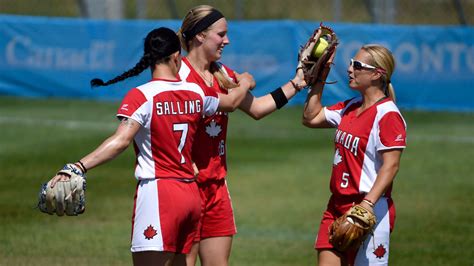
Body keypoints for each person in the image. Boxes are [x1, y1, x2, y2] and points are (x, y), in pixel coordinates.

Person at [46, 27, 254, 266]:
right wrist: (245, 82)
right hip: (192, 197)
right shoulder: (195, 92)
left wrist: (79, 166)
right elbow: (232, 101)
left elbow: (121, 141)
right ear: (176, 56)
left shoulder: (141, 96)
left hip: (160, 195)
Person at [177, 5, 307, 266]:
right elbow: (229, 103)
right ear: (200, 35)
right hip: (186, 187)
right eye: (221, 34)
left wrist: (297, 82)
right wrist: (245, 81)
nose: (227, 40)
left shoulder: (221, 73)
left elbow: (257, 108)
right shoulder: (179, 74)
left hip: (216, 187)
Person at [302, 44, 407, 265]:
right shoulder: (350, 107)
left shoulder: (388, 115)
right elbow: (310, 118)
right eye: (350, 63)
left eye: (357, 65)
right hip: (336, 205)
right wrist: (320, 77)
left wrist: (366, 205)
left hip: (368, 210)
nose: (350, 69)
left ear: (377, 74)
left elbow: (391, 166)